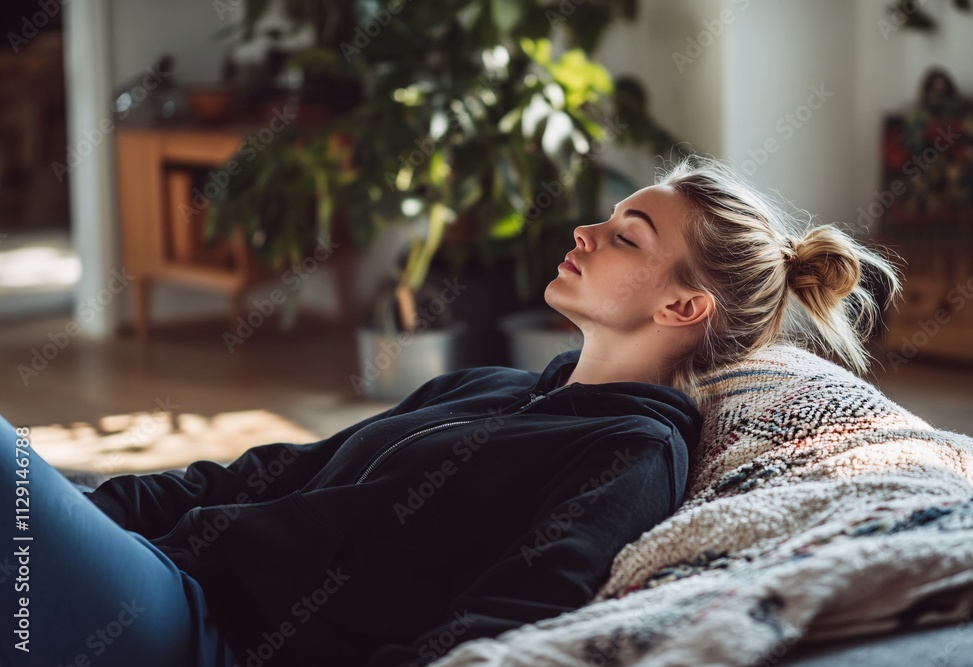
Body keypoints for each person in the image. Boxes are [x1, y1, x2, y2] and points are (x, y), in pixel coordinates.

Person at [0, 155, 899, 667]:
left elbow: (503, 624)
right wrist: (85, 510)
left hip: (207, 637)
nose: (586, 232)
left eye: (627, 236)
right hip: (161, 568)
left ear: (682, 308)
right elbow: (269, 471)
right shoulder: (492, 384)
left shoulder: (630, 452)